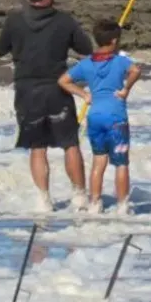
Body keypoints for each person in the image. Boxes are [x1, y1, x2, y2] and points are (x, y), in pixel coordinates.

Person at [0, 0, 93, 213]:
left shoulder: (14, 20)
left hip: (27, 90)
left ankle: (43, 200)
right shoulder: (64, 21)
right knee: (70, 143)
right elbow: (86, 48)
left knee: (37, 146)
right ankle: (79, 196)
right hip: (58, 87)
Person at [58, 20, 141, 215]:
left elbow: (63, 80)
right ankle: (122, 205)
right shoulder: (120, 61)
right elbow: (136, 70)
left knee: (98, 160)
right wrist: (126, 89)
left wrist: (84, 94)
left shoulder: (86, 63)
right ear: (114, 41)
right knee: (121, 163)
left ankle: (95, 203)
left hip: (94, 117)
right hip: (116, 118)